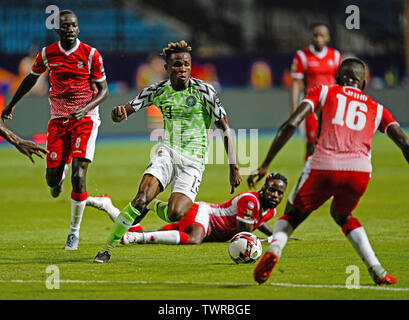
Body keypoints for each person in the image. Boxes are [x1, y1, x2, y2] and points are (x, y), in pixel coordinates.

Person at [248, 57, 409, 286]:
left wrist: (265, 164)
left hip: (324, 165)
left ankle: (275, 249)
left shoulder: (324, 91)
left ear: (337, 79)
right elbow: (405, 143)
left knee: (292, 215)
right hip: (359, 172)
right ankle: (377, 270)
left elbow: (291, 124)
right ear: (363, 84)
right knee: (343, 215)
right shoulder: (378, 108)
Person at [94, 40, 242, 263]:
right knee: (139, 198)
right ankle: (108, 248)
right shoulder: (157, 90)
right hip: (167, 152)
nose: (182, 69)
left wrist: (234, 167)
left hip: (194, 160)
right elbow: (125, 110)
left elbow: (225, 129)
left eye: (186, 64)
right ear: (167, 68)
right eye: (176, 65)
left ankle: (152, 205)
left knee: (175, 213)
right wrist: (118, 114)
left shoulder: (205, 91)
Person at [1, 10, 112, 250]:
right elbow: (31, 79)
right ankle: (58, 177)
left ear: (78, 29)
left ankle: (73, 233)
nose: (71, 29)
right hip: (58, 120)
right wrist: (11, 104)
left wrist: (86, 108)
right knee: (52, 181)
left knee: (79, 176)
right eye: (66, 26)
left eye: (74, 26)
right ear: (58, 30)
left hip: (86, 119)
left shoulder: (91, 54)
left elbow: (104, 91)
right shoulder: (48, 54)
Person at [121, 173, 287, 245]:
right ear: (263, 188)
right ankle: (142, 226)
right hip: (204, 215)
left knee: (154, 234)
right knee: (193, 239)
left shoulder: (270, 211)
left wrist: (276, 236)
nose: (274, 195)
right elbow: (243, 234)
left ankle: (107, 207)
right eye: (271, 189)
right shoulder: (250, 200)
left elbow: (259, 222)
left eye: (279, 193)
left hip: (209, 227)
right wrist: (267, 241)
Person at [290, 22, 342, 160]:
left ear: (327, 38)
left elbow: (340, 82)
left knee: (333, 141)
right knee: (312, 142)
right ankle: (309, 173)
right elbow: (296, 83)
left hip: (331, 104)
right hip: (312, 105)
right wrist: (295, 108)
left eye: (322, 35)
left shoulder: (335, 56)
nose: (318, 38)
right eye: (315, 35)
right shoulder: (302, 56)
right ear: (311, 37)